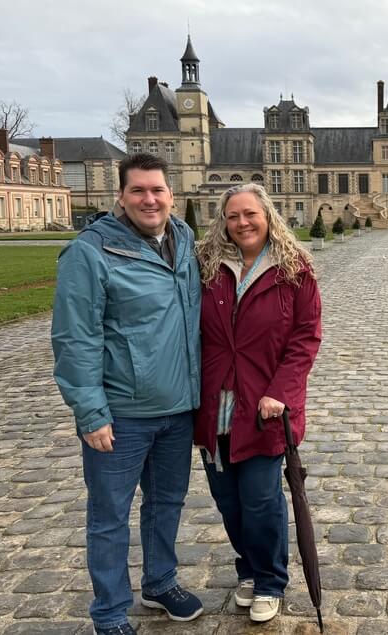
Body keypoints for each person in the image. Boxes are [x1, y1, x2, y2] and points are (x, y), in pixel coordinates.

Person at [52, 153, 203, 635]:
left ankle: (160, 582)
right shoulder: (91, 251)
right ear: (121, 196)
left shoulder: (185, 241)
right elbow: (75, 338)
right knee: (109, 517)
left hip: (178, 409)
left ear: (171, 194)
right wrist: (90, 412)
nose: (149, 199)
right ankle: (111, 612)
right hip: (121, 413)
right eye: (138, 190)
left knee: (166, 504)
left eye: (157, 189)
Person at [194, 183, 322, 624]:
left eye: (250, 214)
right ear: (223, 221)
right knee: (228, 500)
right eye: (233, 216)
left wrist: (281, 393)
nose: (242, 223)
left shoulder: (294, 269)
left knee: (261, 500)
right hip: (215, 406)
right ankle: (247, 568)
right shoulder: (208, 266)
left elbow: (306, 338)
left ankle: (270, 580)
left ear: (268, 216)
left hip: (265, 405)